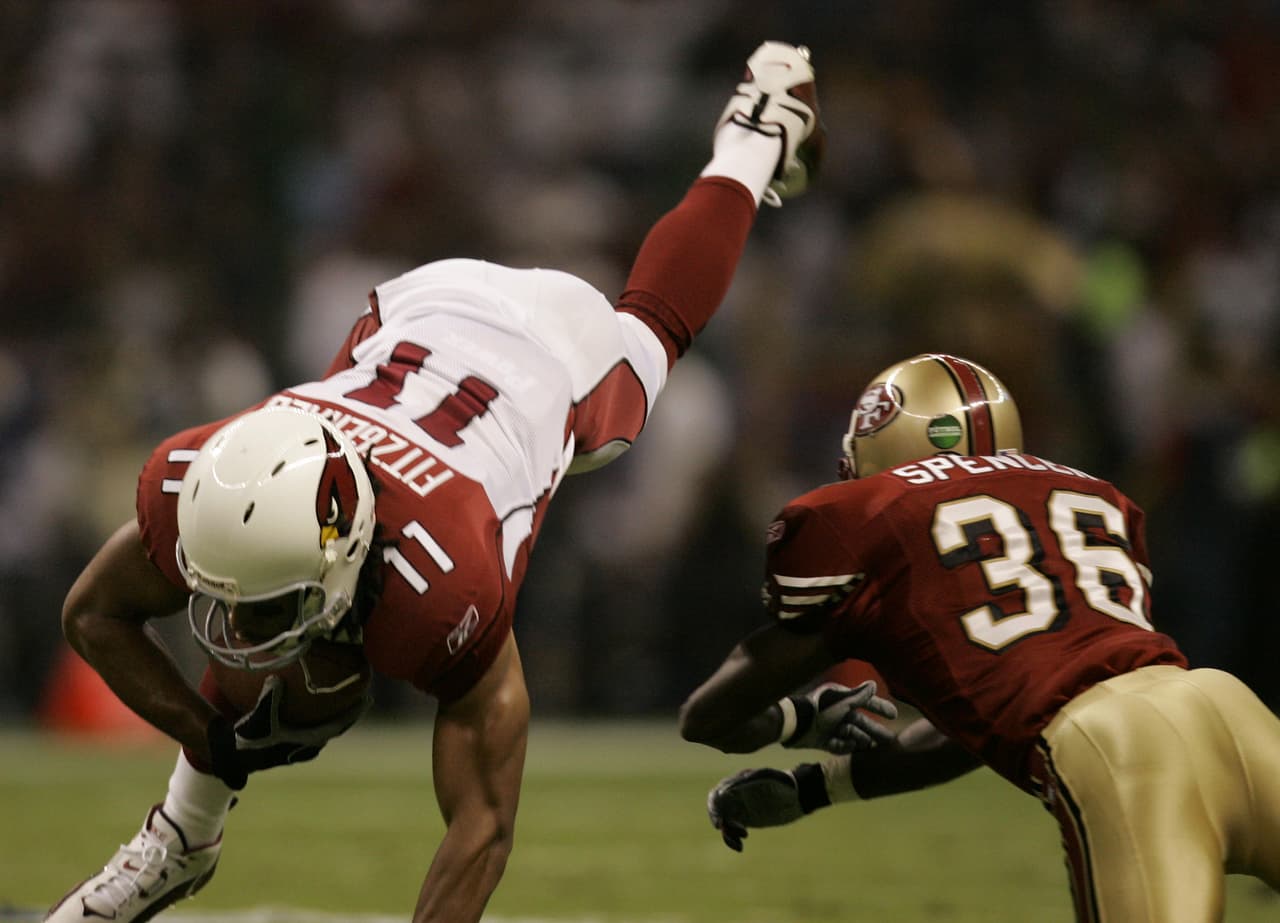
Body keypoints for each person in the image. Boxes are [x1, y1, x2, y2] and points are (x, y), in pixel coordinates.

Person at [44, 40, 824, 923]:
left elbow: (483, 824)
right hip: (415, 312)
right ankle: (181, 836)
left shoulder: (446, 578)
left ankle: (758, 132)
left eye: (266, 606)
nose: (236, 633)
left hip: (553, 356)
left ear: (345, 547)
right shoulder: (201, 473)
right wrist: (210, 738)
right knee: (276, 652)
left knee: (649, 335)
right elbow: (92, 613)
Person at [679, 352, 1280, 922]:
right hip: (1225, 705)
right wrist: (817, 789)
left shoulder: (870, 516)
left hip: (1113, 747)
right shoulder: (1093, 495)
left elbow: (709, 718)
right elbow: (973, 726)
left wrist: (795, 721)